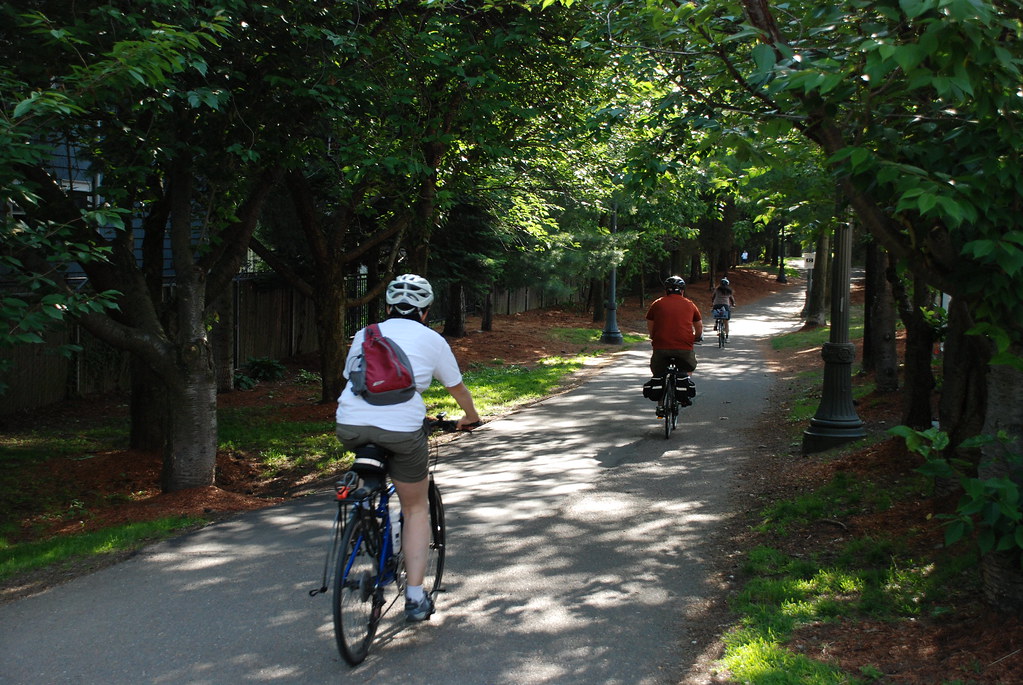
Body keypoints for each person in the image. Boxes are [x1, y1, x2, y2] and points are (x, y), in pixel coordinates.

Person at [335, 273, 481, 622]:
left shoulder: (365, 335)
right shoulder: (432, 341)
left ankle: (363, 515)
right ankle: (415, 598)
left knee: (371, 457)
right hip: (401, 430)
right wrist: (470, 417)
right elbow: (457, 389)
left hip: (349, 425)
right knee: (415, 507)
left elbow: (350, 378)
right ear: (426, 311)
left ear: (387, 307)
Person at [645, 276, 703, 413]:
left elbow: (650, 324)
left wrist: (654, 336)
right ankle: (683, 389)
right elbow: (699, 326)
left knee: (658, 372)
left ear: (666, 291)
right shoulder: (690, 304)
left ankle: (660, 404)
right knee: (688, 366)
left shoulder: (657, 303)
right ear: (682, 291)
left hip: (661, 347)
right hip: (684, 347)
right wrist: (696, 338)